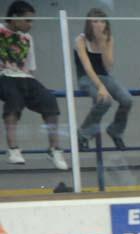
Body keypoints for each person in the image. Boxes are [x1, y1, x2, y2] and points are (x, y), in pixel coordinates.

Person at [0, 1, 67, 169]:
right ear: (14, 18)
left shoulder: (28, 38)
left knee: (49, 100)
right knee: (14, 98)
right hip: (3, 75)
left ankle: (54, 148)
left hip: (23, 76)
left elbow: (30, 67)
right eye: (27, 21)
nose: (30, 25)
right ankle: (13, 148)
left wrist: (32, 85)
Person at [74, 8, 131, 151]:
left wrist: (103, 44)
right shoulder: (80, 40)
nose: (99, 25)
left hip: (105, 76)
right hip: (86, 77)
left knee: (127, 99)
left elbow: (109, 66)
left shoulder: (109, 38)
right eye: (95, 21)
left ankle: (115, 130)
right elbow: (87, 67)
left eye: (102, 21)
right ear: (89, 24)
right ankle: (83, 134)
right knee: (104, 101)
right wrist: (100, 87)